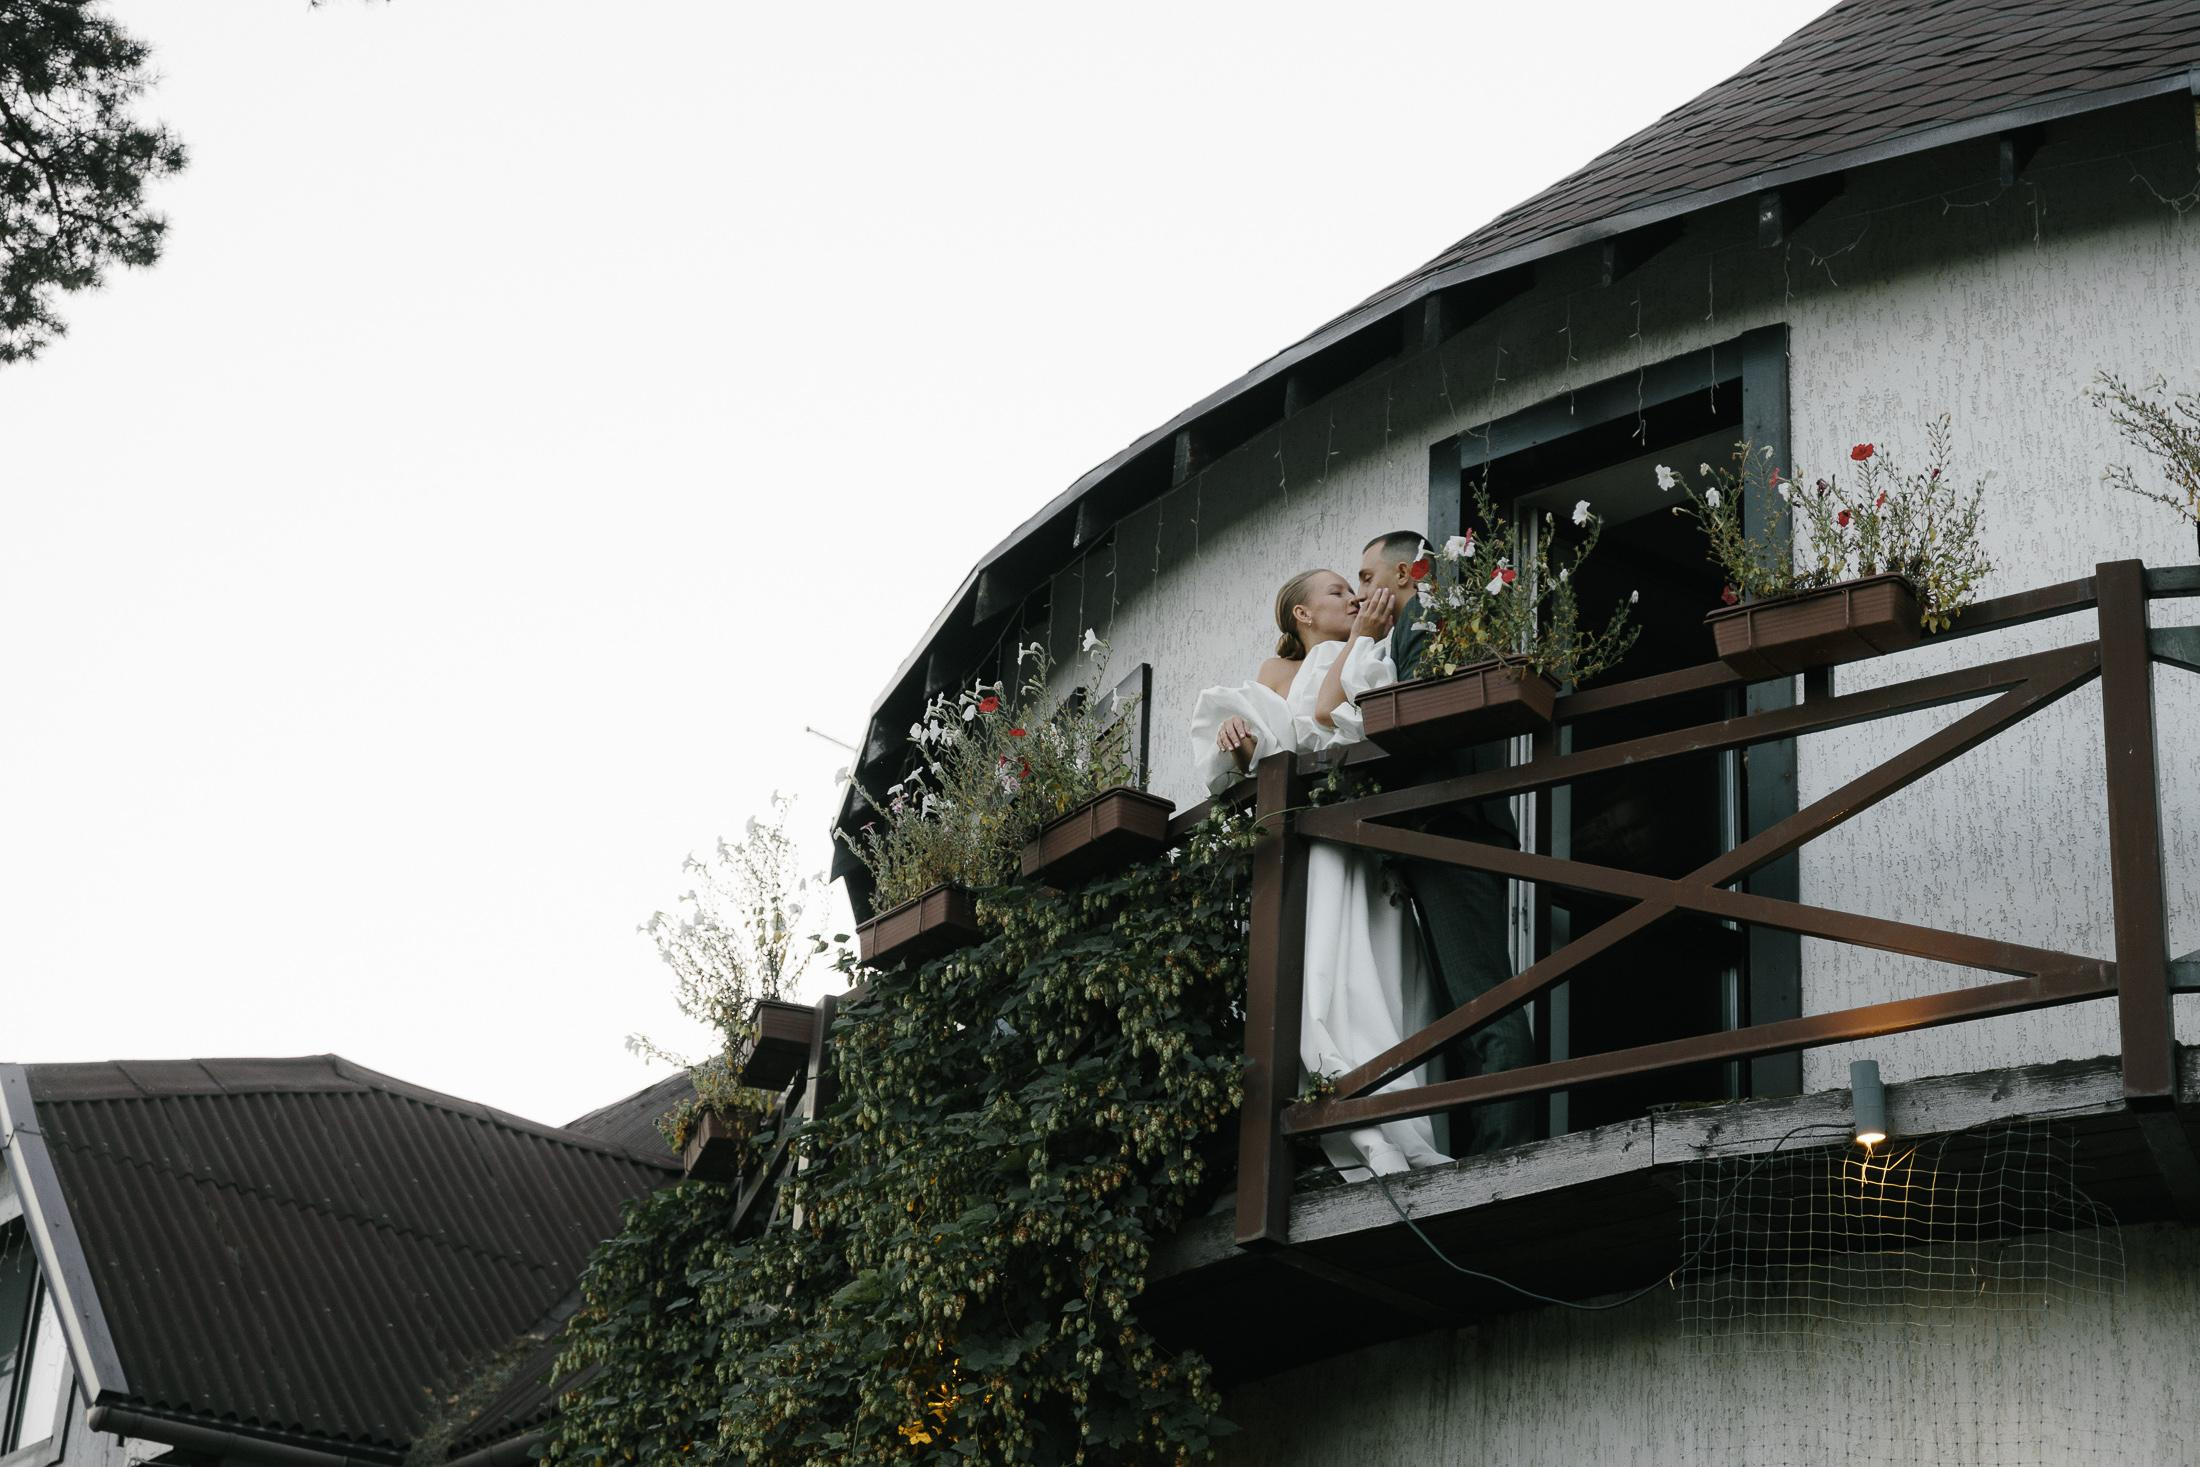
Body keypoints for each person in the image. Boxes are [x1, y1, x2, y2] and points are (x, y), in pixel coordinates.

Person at [1187, 569, 1451, 1180]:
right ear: (1301, 614)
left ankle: (1409, 1130)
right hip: (1317, 840)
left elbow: (1342, 714)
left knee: (1385, 976)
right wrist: (1236, 738)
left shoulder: (1369, 651)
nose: (1354, 598)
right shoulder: (1276, 674)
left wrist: (1361, 640)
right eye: (1337, 591)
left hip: (1366, 836)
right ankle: (1362, 1131)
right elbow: (1280, 746)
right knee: (1328, 981)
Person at [1357, 530, 1537, 1155]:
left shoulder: (1427, 622)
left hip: (1451, 825)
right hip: (1447, 825)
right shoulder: (1418, 627)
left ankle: (1503, 1156)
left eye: (1366, 577)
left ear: (1404, 573)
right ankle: (1486, 1143)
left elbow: (1419, 723)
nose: (1360, 595)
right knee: (1468, 1005)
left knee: (1480, 1003)